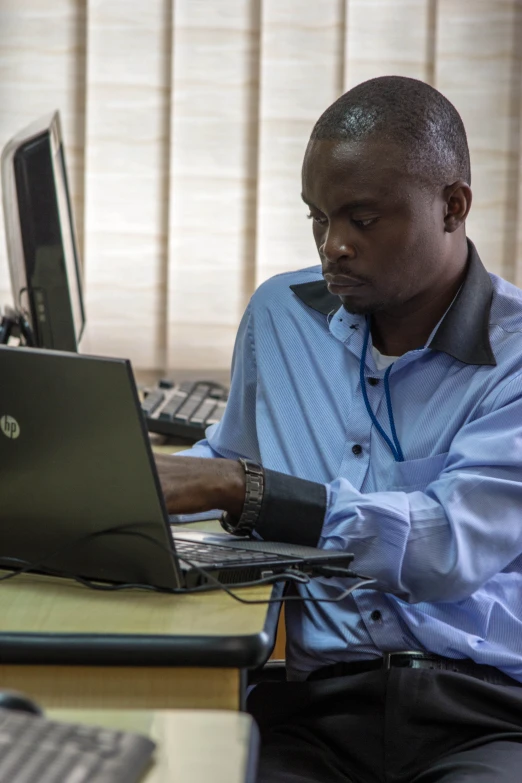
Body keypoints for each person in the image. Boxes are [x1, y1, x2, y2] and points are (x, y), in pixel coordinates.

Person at [155, 76, 522, 782]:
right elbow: (232, 455)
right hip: (315, 709)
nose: (334, 246)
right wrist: (126, 488)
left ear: (454, 206)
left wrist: (249, 490)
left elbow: (446, 544)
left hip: (484, 710)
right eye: (317, 219)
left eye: (362, 218)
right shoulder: (281, 317)